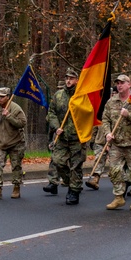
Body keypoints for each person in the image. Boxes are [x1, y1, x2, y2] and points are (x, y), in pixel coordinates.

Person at [101, 74, 131, 211]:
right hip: (117, 143)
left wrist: (129, 115)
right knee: (114, 171)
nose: (119, 85)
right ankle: (118, 197)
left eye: (122, 82)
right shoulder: (111, 102)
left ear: (129, 84)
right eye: (117, 83)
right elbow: (105, 120)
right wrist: (107, 133)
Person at [46, 68, 88, 205]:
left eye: (71, 78)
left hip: (77, 137)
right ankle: (72, 183)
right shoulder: (58, 95)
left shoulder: (82, 96)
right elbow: (51, 112)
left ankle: (74, 192)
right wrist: (56, 126)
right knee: (58, 161)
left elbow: (88, 114)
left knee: (76, 166)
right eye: (66, 78)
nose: (68, 81)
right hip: (62, 137)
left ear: (77, 80)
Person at [0, 87, 27, 199]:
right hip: (0, 143)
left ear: (8, 97)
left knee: (16, 167)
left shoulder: (16, 108)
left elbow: (22, 123)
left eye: (2, 96)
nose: (0, 98)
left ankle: (16, 187)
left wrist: (9, 116)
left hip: (16, 142)